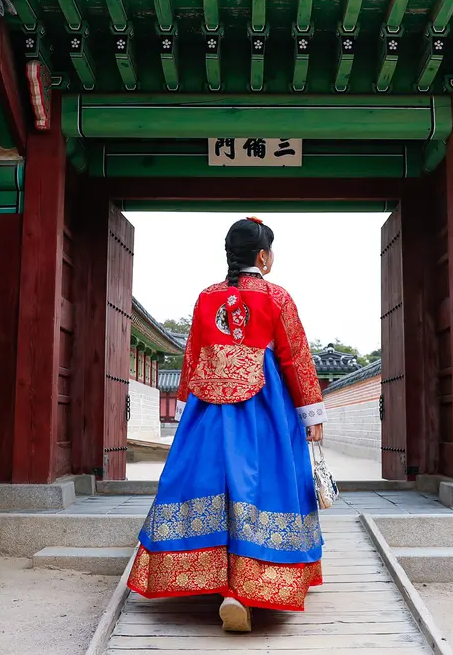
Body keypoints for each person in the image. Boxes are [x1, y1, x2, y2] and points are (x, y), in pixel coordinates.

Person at [126, 216, 327, 633]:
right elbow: (295, 357)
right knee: (264, 484)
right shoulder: (277, 297)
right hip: (264, 409)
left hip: (210, 408)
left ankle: (213, 580)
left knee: (207, 482)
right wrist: (310, 411)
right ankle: (251, 586)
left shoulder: (206, 297)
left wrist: (187, 407)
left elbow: (194, 354)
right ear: (263, 256)